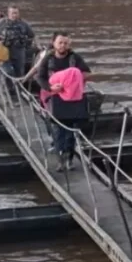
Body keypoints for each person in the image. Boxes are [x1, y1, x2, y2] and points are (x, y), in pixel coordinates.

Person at [36, 32, 91, 171]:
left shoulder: (75, 58)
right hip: (54, 97)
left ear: (69, 44)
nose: (63, 45)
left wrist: (75, 78)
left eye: (66, 43)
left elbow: (87, 73)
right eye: (60, 42)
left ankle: (70, 158)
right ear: (54, 43)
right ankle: (60, 158)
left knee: (72, 130)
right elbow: (40, 77)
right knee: (58, 129)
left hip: (72, 98)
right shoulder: (48, 58)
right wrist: (50, 87)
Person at [0, 5, 35, 78]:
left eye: (16, 13)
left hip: (19, 51)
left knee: (20, 72)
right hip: (5, 50)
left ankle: (18, 88)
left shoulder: (23, 24)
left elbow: (32, 35)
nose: (14, 15)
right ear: (8, 13)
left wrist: (28, 44)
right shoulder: (2, 22)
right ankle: (7, 87)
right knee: (8, 71)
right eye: (12, 13)